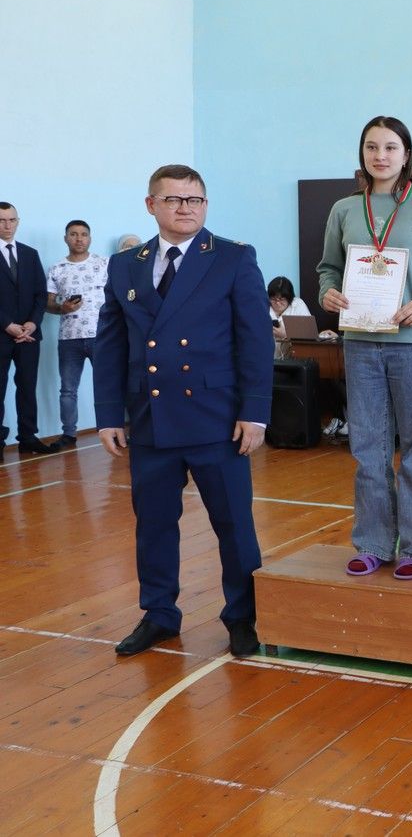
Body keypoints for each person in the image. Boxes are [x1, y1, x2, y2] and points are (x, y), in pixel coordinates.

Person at [93, 164, 274, 657]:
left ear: (205, 205)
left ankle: (243, 617)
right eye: (174, 200)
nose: (186, 208)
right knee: (152, 523)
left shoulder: (233, 258)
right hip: (149, 420)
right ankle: (158, 614)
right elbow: (110, 344)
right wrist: (108, 413)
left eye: (194, 200)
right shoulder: (125, 264)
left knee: (234, 526)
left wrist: (255, 412)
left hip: (217, 418)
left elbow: (255, 341)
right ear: (151, 205)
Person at [318, 115, 412, 580]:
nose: (380, 155)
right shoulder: (343, 209)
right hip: (360, 344)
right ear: (361, 154)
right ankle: (374, 543)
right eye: (371, 147)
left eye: (390, 147)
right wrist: (327, 292)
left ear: (406, 155)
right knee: (368, 450)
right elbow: (327, 269)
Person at [46, 219, 110, 449]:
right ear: (66, 238)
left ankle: (114, 428)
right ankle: (69, 434)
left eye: (84, 234)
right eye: (73, 234)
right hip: (69, 337)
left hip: (101, 335)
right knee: (67, 389)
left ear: (90, 238)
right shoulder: (57, 268)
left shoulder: (104, 263)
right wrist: (62, 308)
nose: (79, 239)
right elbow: (48, 304)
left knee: (108, 384)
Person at [0, 201, 55, 457]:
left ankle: (28, 437)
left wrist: (32, 323)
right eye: (2, 220)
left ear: (18, 221)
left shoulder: (30, 254)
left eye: (12, 220)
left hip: (29, 335)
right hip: (2, 334)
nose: (7, 225)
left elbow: (40, 294)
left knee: (27, 386)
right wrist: (7, 325)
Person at [267, 275, 312, 356]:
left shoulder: (298, 304)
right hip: (268, 358)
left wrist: (285, 335)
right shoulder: (263, 306)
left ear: (289, 298)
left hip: (294, 359)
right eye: (273, 299)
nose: (277, 303)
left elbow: (310, 336)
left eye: (281, 299)